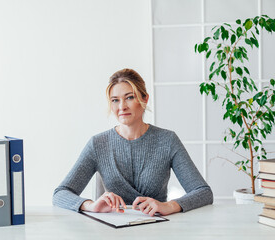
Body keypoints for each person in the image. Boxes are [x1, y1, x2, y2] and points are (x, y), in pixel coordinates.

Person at [53, 69, 213, 216]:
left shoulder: (168, 140)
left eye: (129, 97)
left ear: (145, 98)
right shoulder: (98, 144)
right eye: (115, 100)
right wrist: (90, 205)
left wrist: (169, 206)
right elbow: (60, 194)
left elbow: (203, 192)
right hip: (112, 231)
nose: (122, 106)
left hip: (157, 228)